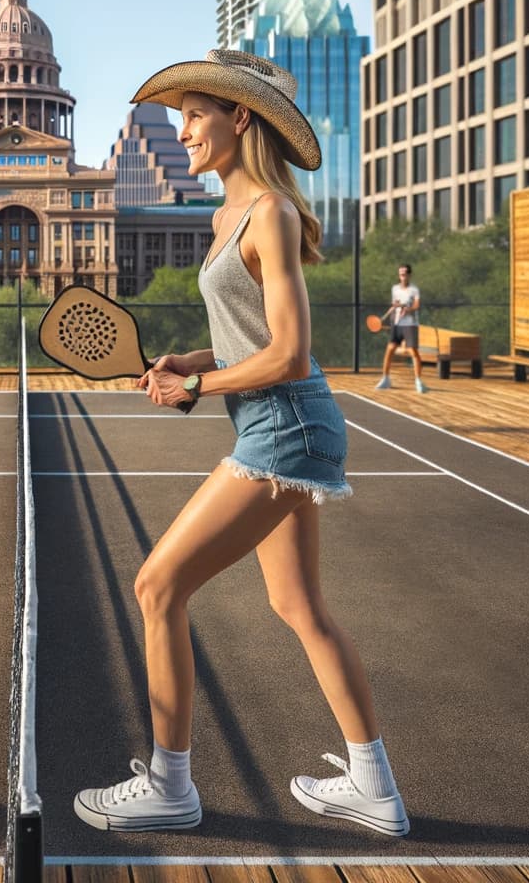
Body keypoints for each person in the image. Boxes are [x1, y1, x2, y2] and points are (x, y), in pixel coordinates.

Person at [73, 50, 409, 838]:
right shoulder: (229, 214)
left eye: (195, 114)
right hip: (275, 420)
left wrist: (194, 390)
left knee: (157, 587)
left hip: (287, 424)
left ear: (241, 119)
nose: (181, 129)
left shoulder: (271, 214)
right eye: (181, 116)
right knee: (299, 605)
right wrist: (195, 362)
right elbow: (249, 340)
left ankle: (170, 785)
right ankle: (376, 788)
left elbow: (289, 354)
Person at [375, 264, 428, 393]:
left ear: (409, 275)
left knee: (413, 352)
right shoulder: (395, 289)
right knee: (390, 350)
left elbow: (416, 305)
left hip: (410, 325)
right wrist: (390, 312)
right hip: (397, 324)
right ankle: (386, 379)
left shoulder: (414, 289)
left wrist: (408, 309)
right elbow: (395, 304)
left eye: (404, 274)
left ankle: (418, 382)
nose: (402, 276)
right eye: (400, 274)